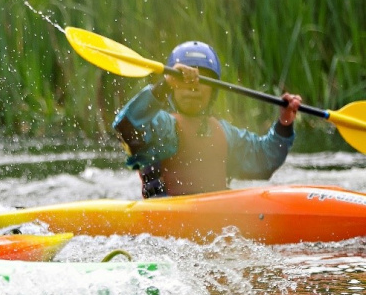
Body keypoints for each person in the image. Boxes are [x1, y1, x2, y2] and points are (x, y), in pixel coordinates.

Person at [112, 41, 302, 198]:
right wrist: (163, 86)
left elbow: (263, 161)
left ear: (213, 90)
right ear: (173, 86)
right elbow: (125, 125)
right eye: (182, 80)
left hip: (216, 224)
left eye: (203, 80)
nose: (193, 87)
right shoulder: (162, 126)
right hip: (166, 223)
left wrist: (284, 123)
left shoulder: (225, 133)